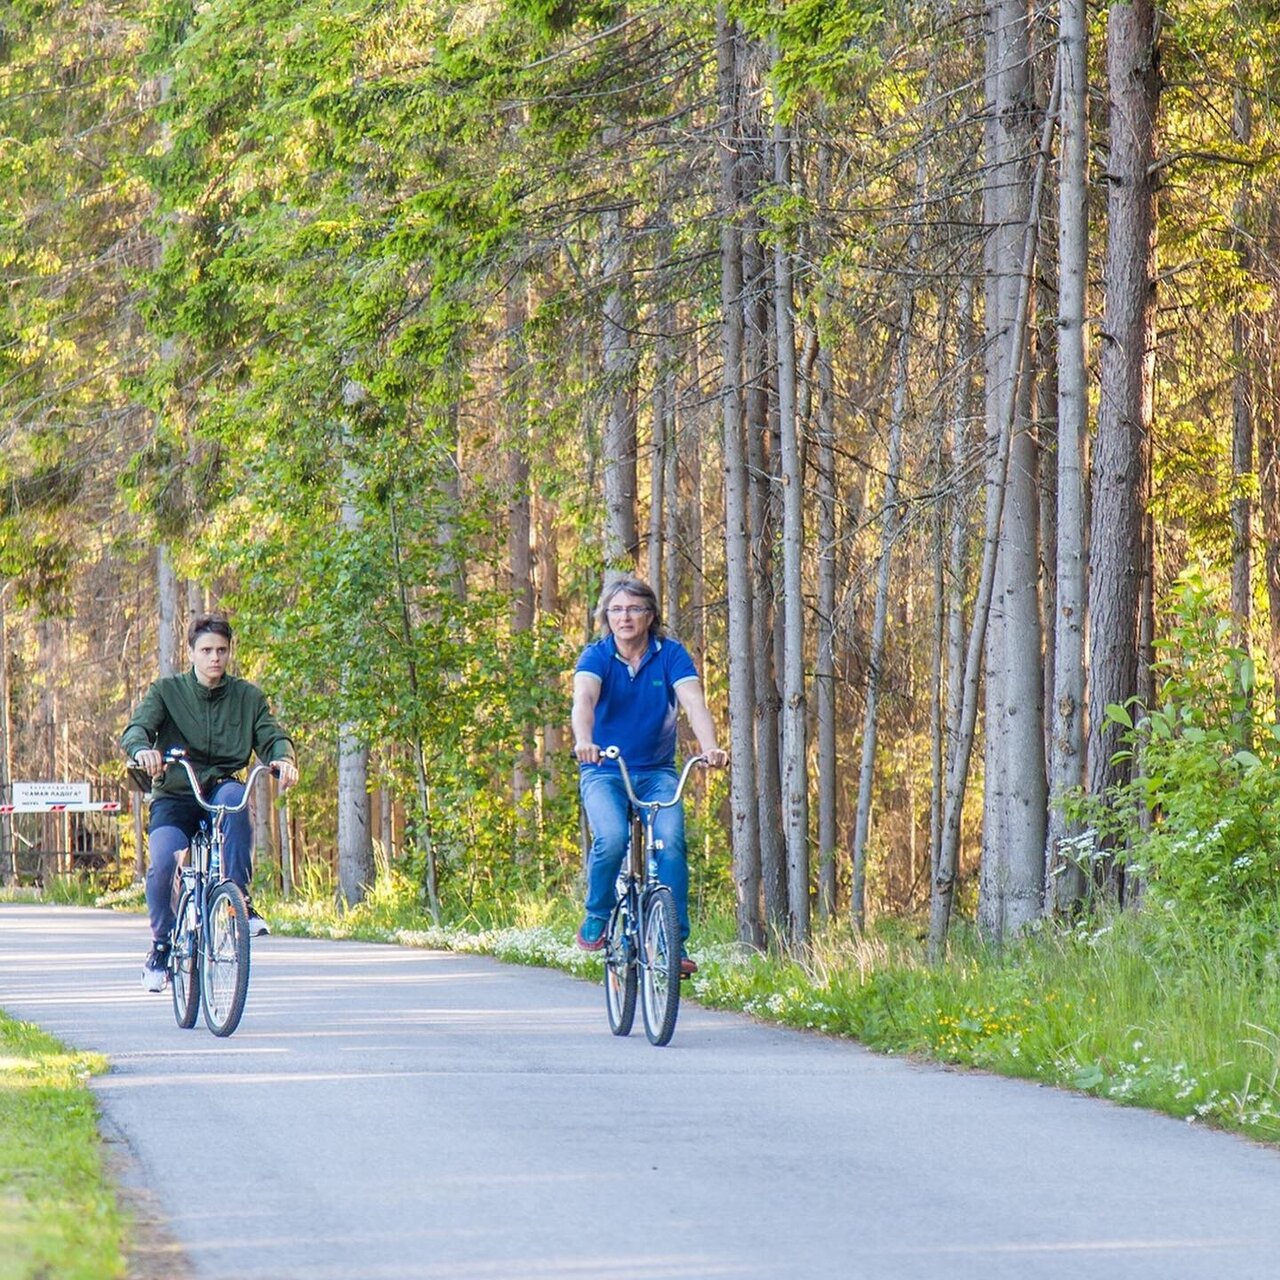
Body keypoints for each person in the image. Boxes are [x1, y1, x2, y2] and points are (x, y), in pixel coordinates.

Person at [121, 612, 299, 993]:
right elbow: (137, 729)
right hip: (175, 793)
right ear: (191, 652)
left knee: (237, 797)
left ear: (229, 652)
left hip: (218, 790)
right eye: (206, 650)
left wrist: (283, 758)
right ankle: (162, 945)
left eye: (221, 650)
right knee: (163, 863)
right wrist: (142, 750)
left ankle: (240, 903)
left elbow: (271, 735)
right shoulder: (166, 692)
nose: (214, 658)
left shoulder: (247, 697)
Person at [571, 576, 727, 976]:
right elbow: (584, 700)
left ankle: (674, 944)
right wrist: (584, 741)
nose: (625, 617)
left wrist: (710, 747)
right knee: (611, 838)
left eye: (634, 609)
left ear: (650, 615)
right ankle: (598, 914)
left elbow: (693, 701)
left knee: (672, 843)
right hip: (605, 770)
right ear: (606, 616)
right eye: (617, 609)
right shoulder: (596, 656)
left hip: (657, 772)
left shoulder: (670, 655)